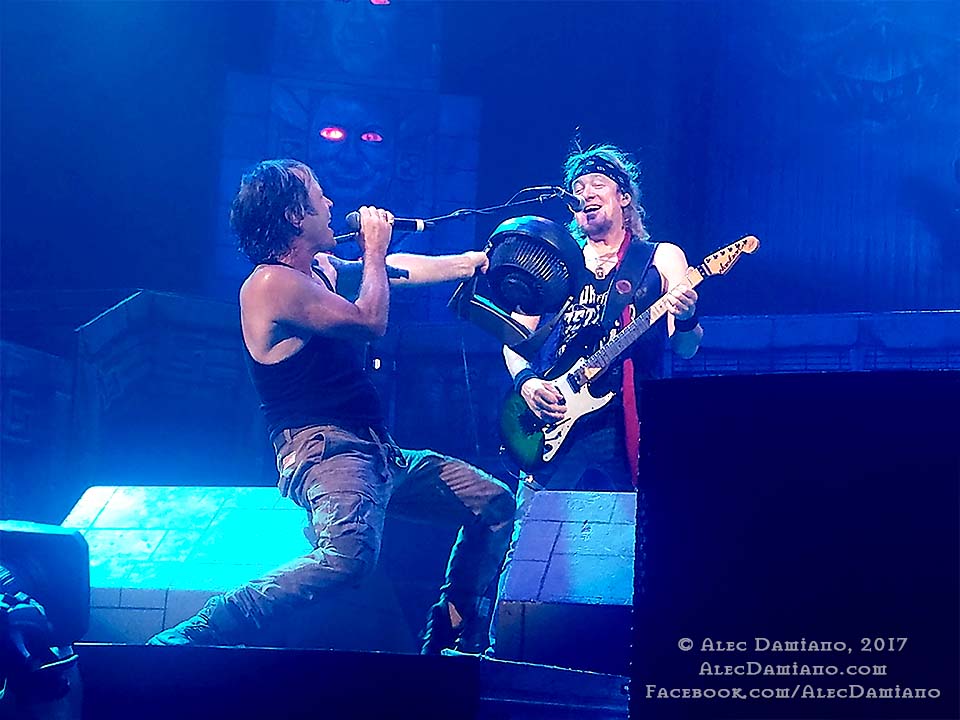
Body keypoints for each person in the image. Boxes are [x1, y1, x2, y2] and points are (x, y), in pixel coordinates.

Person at [148, 159, 514, 654]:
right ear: (294, 216)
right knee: (347, 558)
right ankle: (207, 628)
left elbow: (395, 274)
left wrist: (469, 262)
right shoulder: (270, 285)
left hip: (378, 452)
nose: (332, 203)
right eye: (319, 195)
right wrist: (374, 250)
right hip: (326, 452)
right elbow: (370, 320)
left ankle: (452, 639)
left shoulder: (319, 271)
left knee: (493, 504)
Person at [503, 144, 703, 494]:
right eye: (578, 189)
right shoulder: (555, 263)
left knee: (636, 521)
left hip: (629, 416)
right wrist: (527, 383)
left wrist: (686, 317)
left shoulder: (660, 257)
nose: (586, 194)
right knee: (531, 522)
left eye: (597, 184)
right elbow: (514, 338)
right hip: (556, 413)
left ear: (624, 197)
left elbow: (685, 348)